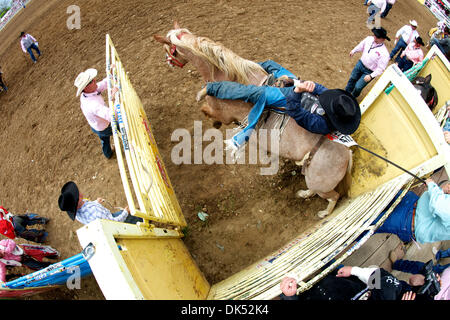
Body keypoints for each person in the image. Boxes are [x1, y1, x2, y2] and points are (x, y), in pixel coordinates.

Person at [196, 76, 361, 151]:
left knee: (254, 93)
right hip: (300, 89)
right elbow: (321, 89)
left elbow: (295, 111)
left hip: (291, 99)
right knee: (272, 66)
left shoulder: (321, 125)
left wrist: (296, 90)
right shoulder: (335, 101)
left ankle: (212, 88)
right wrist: (304, 83)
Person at [373, 178, 450, 244]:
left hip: (407, 221)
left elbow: (439, 205)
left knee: (367, 224)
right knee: (378, 191)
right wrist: (442, 191)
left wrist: (432, 185)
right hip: (412, 202)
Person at [280, 265, 414, 300]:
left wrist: (290, 297)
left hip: (300, 293)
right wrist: (354, 271)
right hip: (329, 278)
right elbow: (380, 276)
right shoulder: (395, 293)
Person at [74, 67, 118, 159]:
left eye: (92, 79)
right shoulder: (92, 104)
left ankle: (108, 153)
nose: (94, 80)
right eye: (91, 81)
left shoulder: (89, 92)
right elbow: (112, 115)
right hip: (104, 126)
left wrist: (110, 75)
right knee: (121, 128)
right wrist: (114, 98)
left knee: (104, 140)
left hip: (96, 125)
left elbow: (103, 84)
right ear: (85, 88)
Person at [58, 181, 143, 225]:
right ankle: (144, 220)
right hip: (113, 220)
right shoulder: (96, 212)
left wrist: (96, 202)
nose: (79, 193)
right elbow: (114, 222)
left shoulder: (78, 215)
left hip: (104, 219)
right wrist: (125, 213)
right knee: (132, 216)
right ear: (76, 205)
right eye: (77, 196)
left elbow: (88, 208)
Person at [345, 27, 390, 98]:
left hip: (369, 72)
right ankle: (345, 93)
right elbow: (361, 45)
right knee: (352, 79)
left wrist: (371, 76)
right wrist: (354, 50)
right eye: (375, 35)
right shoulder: (369, 39)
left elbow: (381, 69)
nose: (375, 38)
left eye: (378, 37)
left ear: (383, 39)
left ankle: (352, 97)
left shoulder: (384, 53)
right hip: (360, 64)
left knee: (358, 87)